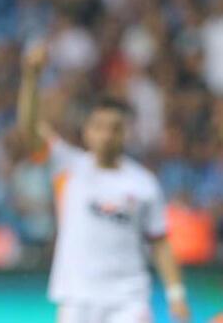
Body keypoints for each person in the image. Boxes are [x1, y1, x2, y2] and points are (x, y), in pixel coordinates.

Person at [17, 45, 190, 323]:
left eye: (115, 128)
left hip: (128, 299)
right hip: (77, 297)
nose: (106, 135)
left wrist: (176, 293)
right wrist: (31, 78)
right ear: (87, 131)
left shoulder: (143, 183)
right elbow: (29, 129)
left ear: (126, 133)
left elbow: (159, 241)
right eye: (99, 127)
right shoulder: (67, 166)